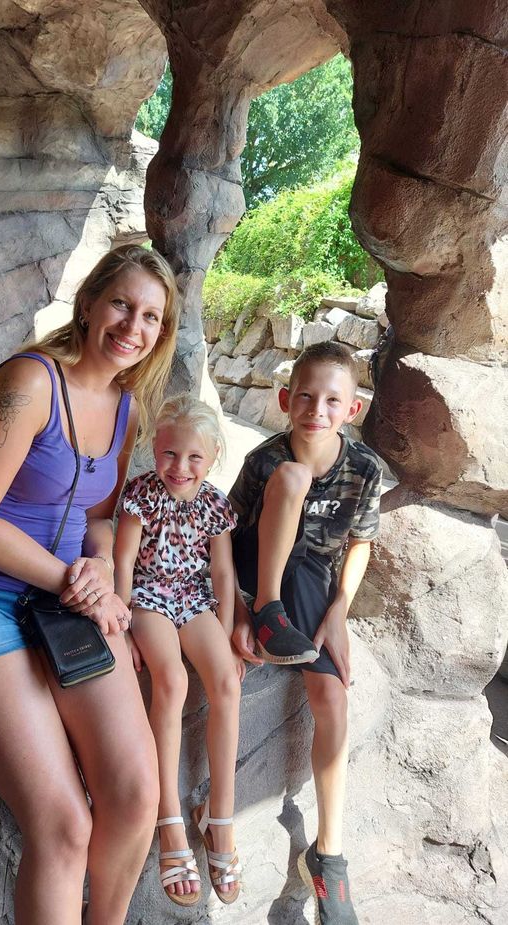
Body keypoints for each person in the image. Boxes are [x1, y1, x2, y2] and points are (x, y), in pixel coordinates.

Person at [0, 244, 180, 925]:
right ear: (88, 303)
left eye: (151, 316)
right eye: (121, 304)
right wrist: (73, 578)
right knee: (63, 824)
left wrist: (100, 564)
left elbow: (95, 516)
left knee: (136, 790)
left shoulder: (125, 408)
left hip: (60, 598)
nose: (132, 327)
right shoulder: (28, 383)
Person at [230, 341, 382, 925]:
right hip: (257, 568)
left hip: (312, 577)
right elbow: (223, 529)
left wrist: (338, 612)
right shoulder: (267, 459)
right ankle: (270, 612)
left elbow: (359, 543)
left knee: (332, 696)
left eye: (332, 400)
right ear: (285, 399)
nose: (317, 409)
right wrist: (240, 609)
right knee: (292, 478)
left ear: (353, 409)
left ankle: (329, 856)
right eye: (307, 397)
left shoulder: (364, 468)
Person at [113, 396, 243, 908]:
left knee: (227, 683)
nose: (179, 468)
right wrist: (121, 624)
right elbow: (124, 562)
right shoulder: (140, 497)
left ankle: (221, 817)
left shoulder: (215, 504)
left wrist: (229, 633)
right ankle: (169, 819)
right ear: (154, 449)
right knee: (171, 679)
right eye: (169, 454)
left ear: (211, 457)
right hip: (147, 597)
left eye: (193, 458)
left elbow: (223, 574)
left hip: (194, 598)